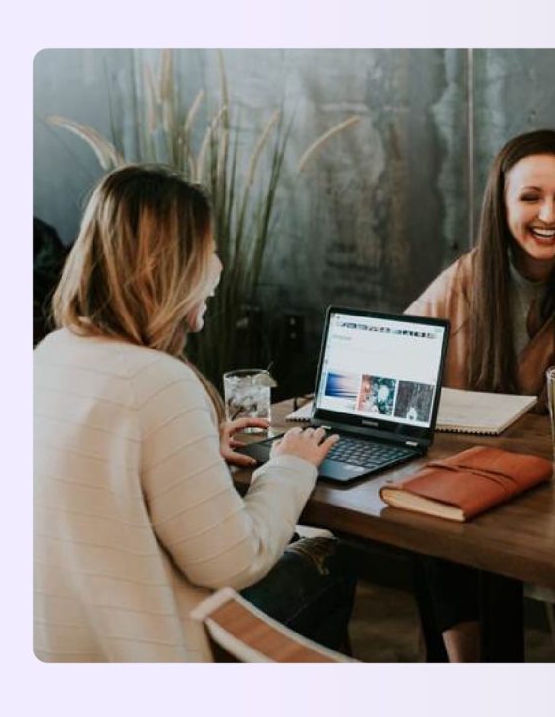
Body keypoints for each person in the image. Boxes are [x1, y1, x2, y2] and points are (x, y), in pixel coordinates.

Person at [33, 165, 355, 662]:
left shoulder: (51, 354)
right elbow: (232, 562)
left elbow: (104, 482)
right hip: (144, 653)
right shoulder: (158, 381)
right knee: (331, 558)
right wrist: (290, 466)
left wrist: (198, 449)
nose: (218, 265)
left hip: (60, 649)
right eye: (207, 251)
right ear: (174, 265)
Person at [405, 129, 555, 661]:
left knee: (478, 532)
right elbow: (403, 352)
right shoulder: (469, 277)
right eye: (531, 197)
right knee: (433, 519)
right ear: (501, 204)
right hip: (474, 483)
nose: (550, 214)